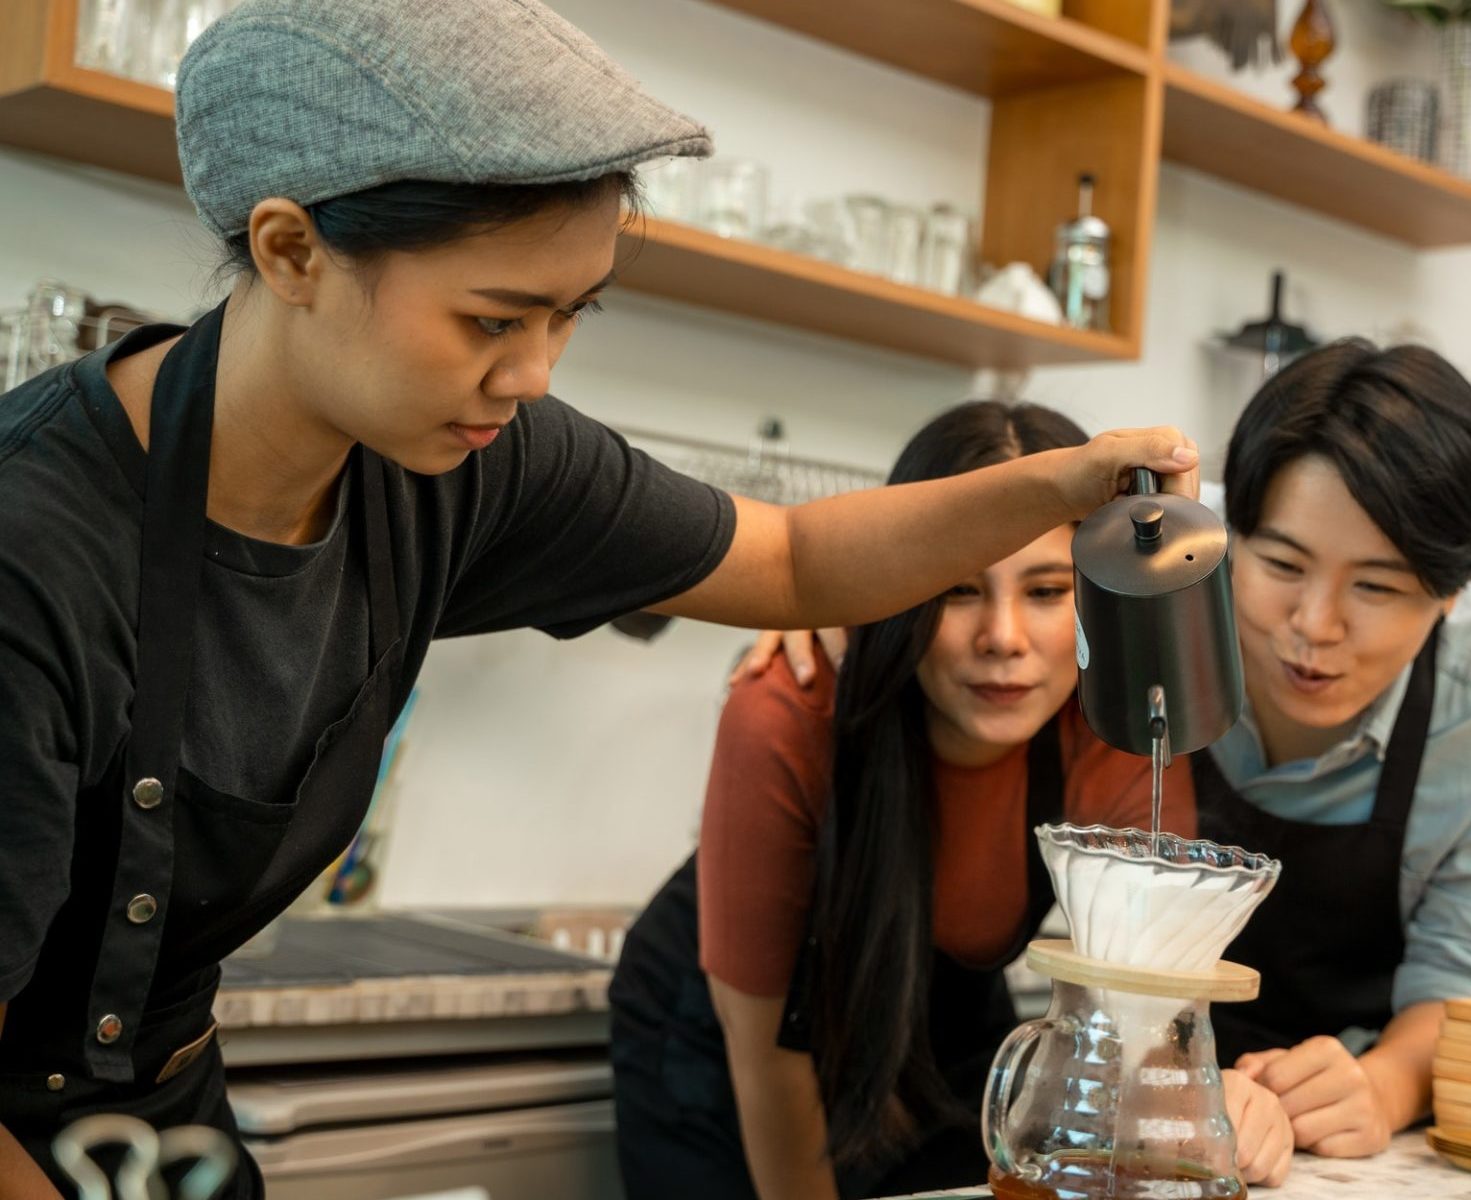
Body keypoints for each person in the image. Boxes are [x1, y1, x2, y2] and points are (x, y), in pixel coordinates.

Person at [0, 4, 1202, 1196]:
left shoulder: (466, 465)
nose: (531, 375)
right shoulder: (34, 549)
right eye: (493, 318)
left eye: (571, 315)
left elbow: (790, 562)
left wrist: (1066, 479)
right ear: (292, 252)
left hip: (163, 1125)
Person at [749, 338, 1471, 1161]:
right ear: (1231, 532)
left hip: (1326, 1094)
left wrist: (1379, 1088)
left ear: (1452, 593)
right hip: (1145, 1056)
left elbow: (1469, 992)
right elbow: (1009, 593)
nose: (1315, 626)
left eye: (1376, 587)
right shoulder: (1153, 576)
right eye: (1281, 564)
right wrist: (863, 599)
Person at [609, 401, 1292, 1200]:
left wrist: (1211, 1107)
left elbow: (1150, 1012)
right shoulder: (790, 706)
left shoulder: (1111, 717)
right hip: (730, 1043)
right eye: (958, 589)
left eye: (1044, 591)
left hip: (944, 1031)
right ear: (900, 583)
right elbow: (766, 1058)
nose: (1002, 637)